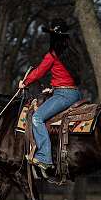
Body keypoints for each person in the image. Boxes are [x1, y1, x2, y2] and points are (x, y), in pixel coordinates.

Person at [18, 19, 82, 173]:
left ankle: (45, 157)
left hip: (64, 94)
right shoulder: (72, 54)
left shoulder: (52, 55)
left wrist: (24, 83)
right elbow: (68, 77)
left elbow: (39, 71)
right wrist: (53, 89)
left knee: (36, 117)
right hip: (72, 92)